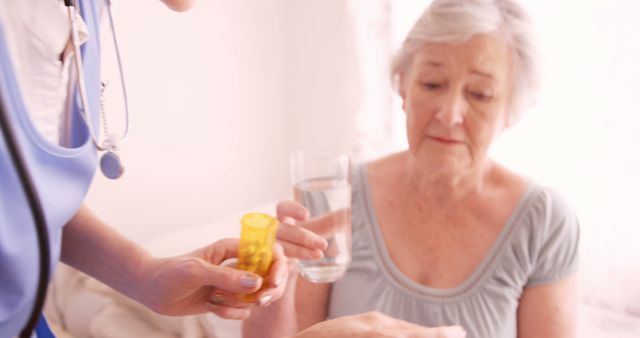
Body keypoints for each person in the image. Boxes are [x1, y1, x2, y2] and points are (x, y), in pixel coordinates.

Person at [0, 0, 464, 337]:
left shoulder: (86, 15)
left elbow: (27, 199)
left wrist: (145, 276)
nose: (450, 113)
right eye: (431, 83)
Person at [246, 0, 580, 338]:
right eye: (432, 84)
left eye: (480, 94)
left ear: (511, 110)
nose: (449, 114)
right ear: (402, 85)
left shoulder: (545, 221)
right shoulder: (335, 196)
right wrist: (274, 287)